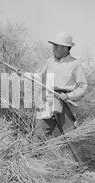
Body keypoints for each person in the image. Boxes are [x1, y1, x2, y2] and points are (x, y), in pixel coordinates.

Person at [34, 32, 88, 163]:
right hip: (49, 99)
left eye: (57, 46)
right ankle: (36, 164)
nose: (53, 48)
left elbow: (83, 86)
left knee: (71, 135)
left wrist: (69, 95)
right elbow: (37, 75)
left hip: (65, 102)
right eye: (53, 46)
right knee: (40, 132)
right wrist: (23, 74)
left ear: (65, 48)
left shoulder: (75, 64)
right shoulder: (49, 61)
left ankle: (81, 167)